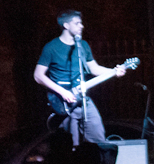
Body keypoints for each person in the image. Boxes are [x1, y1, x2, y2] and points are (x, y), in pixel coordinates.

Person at [34, 10, 127, 144]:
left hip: (83, 99)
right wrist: (63, 92)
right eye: (77, 23)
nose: (81, 26)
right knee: (70, 144)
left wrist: (113, 71)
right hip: (63, 102)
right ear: (66, 25)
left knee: (99, 138)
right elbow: (38, 75)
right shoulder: (51, 47)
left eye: (81, 23)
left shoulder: (83, 45)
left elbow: (94, 68)